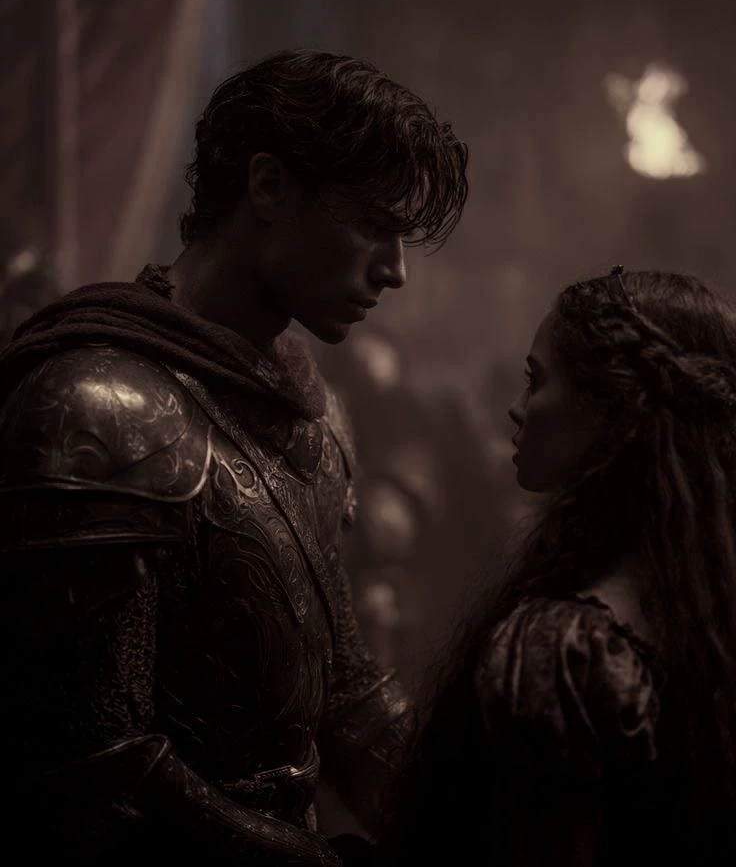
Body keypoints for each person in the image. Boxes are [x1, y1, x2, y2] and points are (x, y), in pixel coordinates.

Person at [0, 48, 468, 864]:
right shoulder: (101, 410)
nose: (394, 270)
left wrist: (469, 817)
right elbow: (99, 765)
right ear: (268, 186)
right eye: (373, 224)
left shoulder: (312, 414)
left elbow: (346, 690)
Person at [377, 266, 736, 866]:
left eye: (536, 381)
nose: (517, 410)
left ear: (613, 411)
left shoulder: (567, 651)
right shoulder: (702, 618)